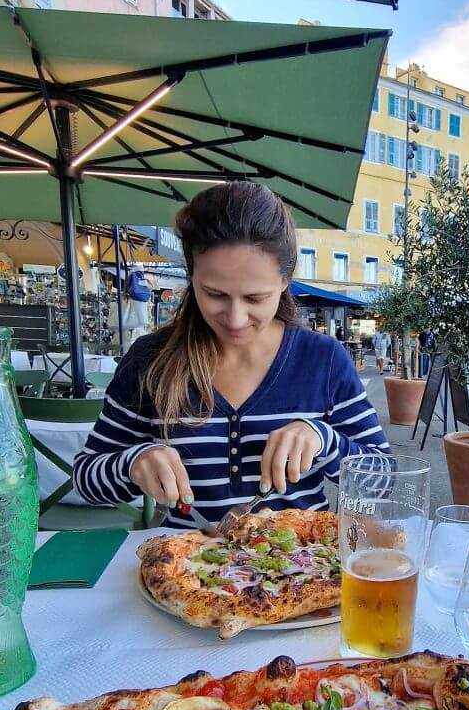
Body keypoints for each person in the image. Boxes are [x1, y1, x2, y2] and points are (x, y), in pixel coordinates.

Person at [73, 183, 390, 527]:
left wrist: (323, 440)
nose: (236, 319)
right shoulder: (150, 359)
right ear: (191, 274)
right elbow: (86, 479)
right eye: (214, 294)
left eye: (255, 298)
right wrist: (133, 463)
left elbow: (383, 483)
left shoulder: (323, 360)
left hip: (303, 557)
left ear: (286, 280)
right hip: (184, 557)